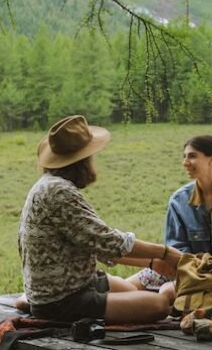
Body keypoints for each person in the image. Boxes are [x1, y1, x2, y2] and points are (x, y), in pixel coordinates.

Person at [16, 115, 183, 323]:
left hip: (75, 283)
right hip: (63, 299)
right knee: (159, 305)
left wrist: (152, 262)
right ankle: (39, 305)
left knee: (130, 289)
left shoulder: (48, 185)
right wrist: (165, 253)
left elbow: (97, 244)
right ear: (83, 161)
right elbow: (107, 241)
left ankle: (29, 300)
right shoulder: (58, 192)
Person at [127, 135, 212, 291]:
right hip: (183, 271)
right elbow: (175, 246)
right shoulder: (179, 200)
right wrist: (197, 267)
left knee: (166, 294)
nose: (185, 162)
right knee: (122, 288)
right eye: (184, 156)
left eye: (192, 156)